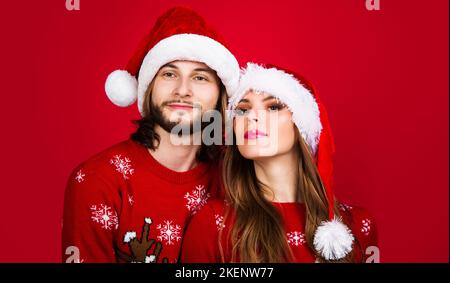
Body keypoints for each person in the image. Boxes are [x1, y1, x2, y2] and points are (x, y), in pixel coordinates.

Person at [62, 6, 239, 263]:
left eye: (200, 77)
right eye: (169, 74)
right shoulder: (97, 181)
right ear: (148, 88)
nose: (183, 89)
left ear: (220, 95)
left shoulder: (235, 178)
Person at [180, 63, 378, 263]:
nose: (252, 117)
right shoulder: (213, 224)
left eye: (273, 107)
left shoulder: (358, 225)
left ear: (301, 126)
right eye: (242, 110)